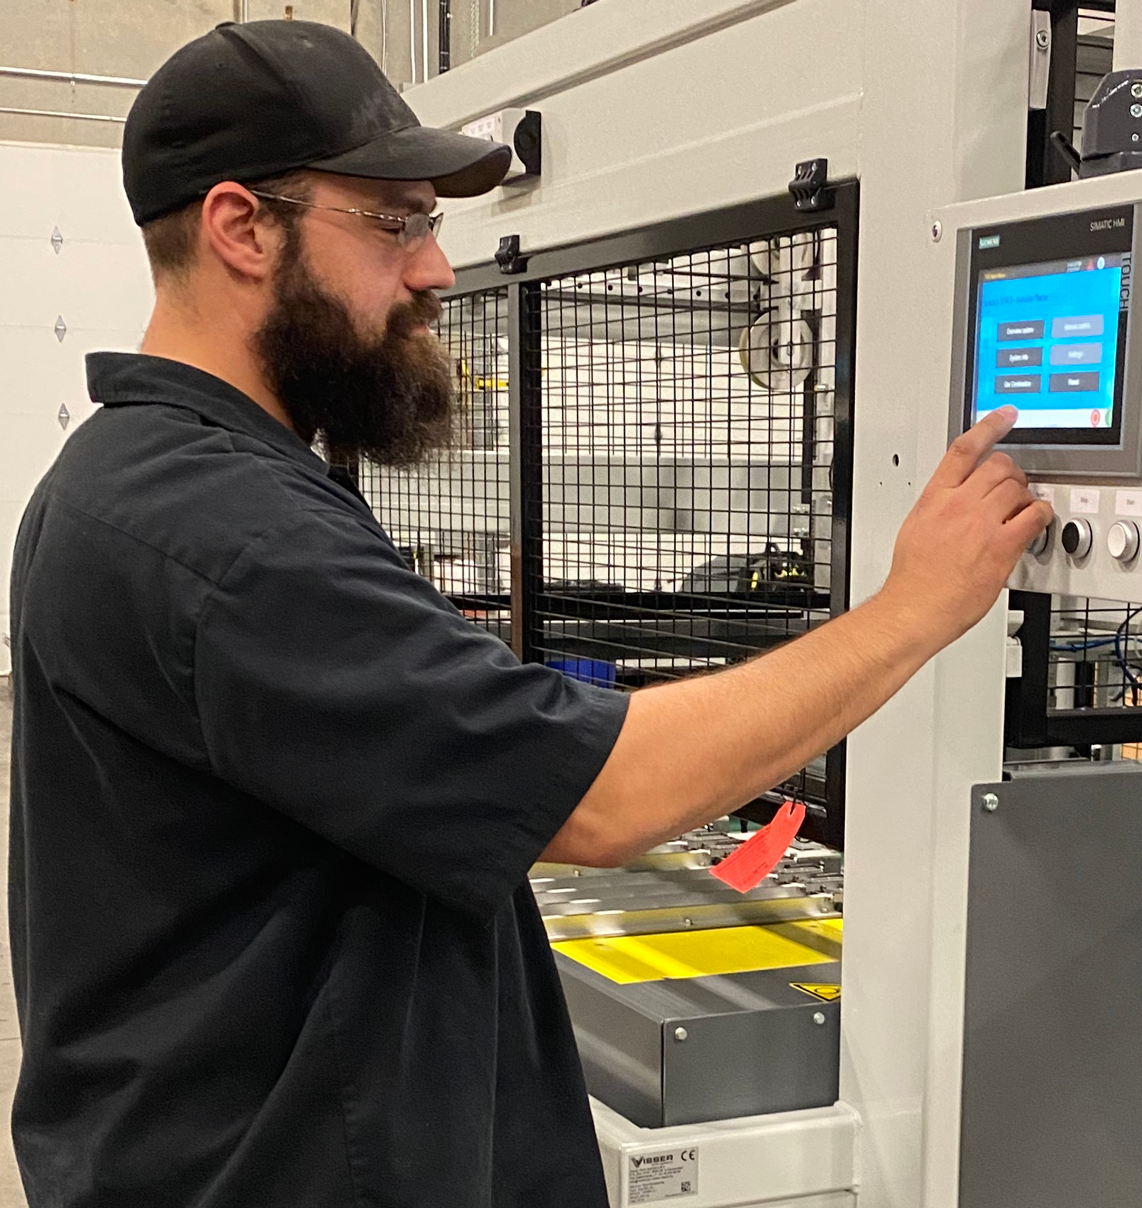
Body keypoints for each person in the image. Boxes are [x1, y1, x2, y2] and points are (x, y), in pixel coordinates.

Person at [6, 19, 1051, 1208]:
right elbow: (606, 796)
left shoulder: (130, 481)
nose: (436, 269)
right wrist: (916, 605)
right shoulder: (222, 530)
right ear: (242, 227)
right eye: (394, 221)